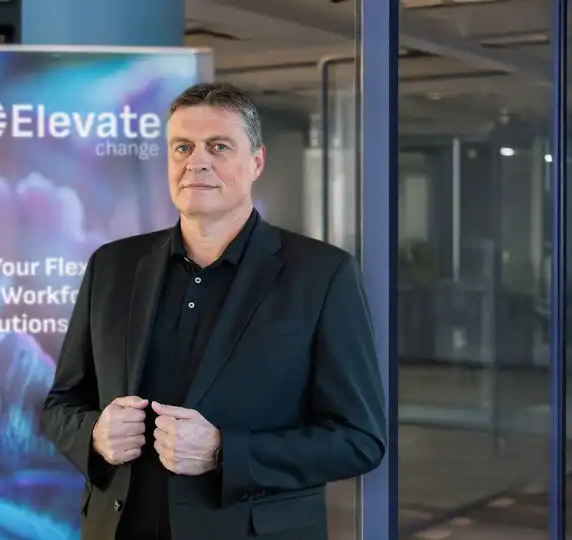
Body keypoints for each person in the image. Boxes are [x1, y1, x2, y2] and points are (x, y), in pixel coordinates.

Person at [41, 82, 386, 540]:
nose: (196, 161)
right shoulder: (112, 265)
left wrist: (225, 452)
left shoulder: (323, 274)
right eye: (182, 147)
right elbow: (61, 404)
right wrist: (94, 435)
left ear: (256, 162)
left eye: (218, 146)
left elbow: (359, 440)